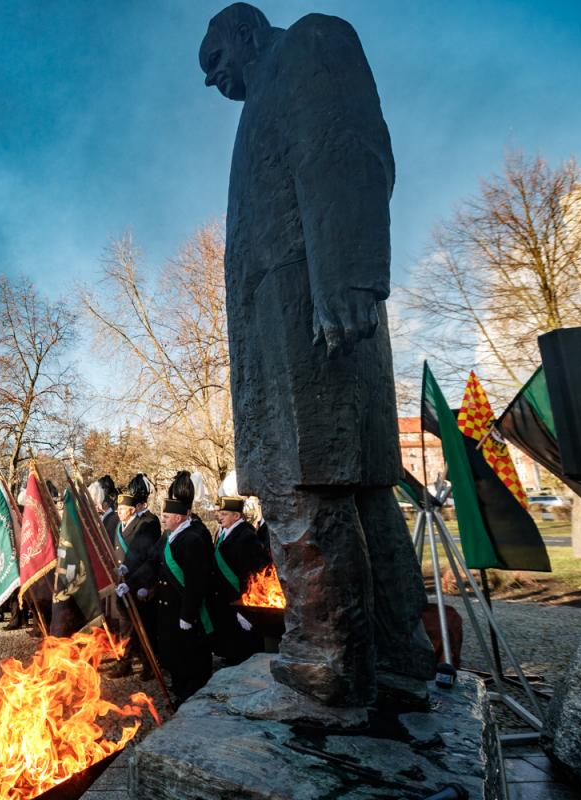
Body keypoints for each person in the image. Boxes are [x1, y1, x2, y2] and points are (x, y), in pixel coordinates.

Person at [199, 3, 433, 704]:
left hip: (310, 306)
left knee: (308, 478)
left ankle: (327, 651)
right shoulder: (264, 92)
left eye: (215, 62)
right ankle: (394, 648)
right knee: (355, 487)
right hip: (298, 307)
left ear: (242, 32)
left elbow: (349, 149)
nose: (213, 82)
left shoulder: (310, 45)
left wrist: (348, 276)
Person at [151, 470, 215, 704]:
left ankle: (191, 694)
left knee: (190, 654)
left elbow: (196, 581)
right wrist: (129, 578)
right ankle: (180, 687)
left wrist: (188, 614)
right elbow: (152, 559)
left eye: (167, 515)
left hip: (183, 608)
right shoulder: (170, 536)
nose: (164, 519)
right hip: (169, 608)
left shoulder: (193, 538)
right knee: (174, 652)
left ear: (179, 517)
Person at [210, 489, 273, 666]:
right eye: (219, 513)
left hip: (240, 600)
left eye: (224, 514)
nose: (219, 517)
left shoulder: (246, 536)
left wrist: (247, 609)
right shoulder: (223, 532)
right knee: (232, 643)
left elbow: (253, 575)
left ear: (236, 516)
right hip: (226, 600)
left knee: (246, 648)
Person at [111, 474, 161, 678]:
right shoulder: (120, 525)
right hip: (123, 583)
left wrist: (142, 584)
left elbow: (148, 557)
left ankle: (145, 663)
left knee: (141, 626)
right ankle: (129, 661)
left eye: (122, 509)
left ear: (133, 508)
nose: (119, 512)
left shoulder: (147, 523)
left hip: (138, 582)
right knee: (127, 626)